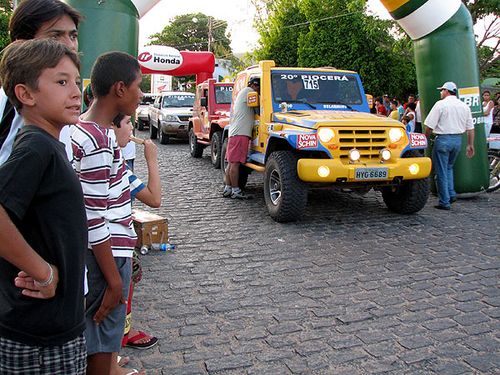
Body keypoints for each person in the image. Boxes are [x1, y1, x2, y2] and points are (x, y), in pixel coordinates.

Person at [0, 38, 87, 375]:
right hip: (38, 337)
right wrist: (43, 271)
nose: (76, 92)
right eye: (62, 82)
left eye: (77, 82)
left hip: (54, 329)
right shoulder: (35, 146)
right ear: (26, 94)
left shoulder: (49, 143)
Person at [71, 51, 143, 375]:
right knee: (100, 352)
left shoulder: (80, 129)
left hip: (95, 258)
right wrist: (115, 283)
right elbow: (95, 218)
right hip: (107, 258)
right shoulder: (100, 140)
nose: (141, 95)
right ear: (119, 89)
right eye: (138, 86)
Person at [0, 0, 81, 166]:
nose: (70, 45)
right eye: (55, 36)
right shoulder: (14, 103)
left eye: (73, 36)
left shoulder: (57, 110)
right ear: (21, 43)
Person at [111, 114, 159, 375]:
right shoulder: (114, 164)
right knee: (113, 303)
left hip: (116, 244)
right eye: (128, 122)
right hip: (112, 248)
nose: (132, 128)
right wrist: (151, 161)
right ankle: (109, 356)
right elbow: (154, 199)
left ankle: (112, 352)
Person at [424, 81, 475, 210]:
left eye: (442, 90)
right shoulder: (464, 106)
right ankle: (451, 194)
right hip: (458, 140)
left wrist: (425, 138)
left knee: (441, 171)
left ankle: (444, 201)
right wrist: (470, 145)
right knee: (449, 168)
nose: (441, 92)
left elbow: (429, 126)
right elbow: (470, 129)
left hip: (443, 139)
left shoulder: (440, 105)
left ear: (446, 91)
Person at [223, 77, 260, 200]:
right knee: (236, 164)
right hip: (241, 133)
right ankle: (236, 190)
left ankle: (228, 188)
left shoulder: (243, 92)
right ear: (255, 86)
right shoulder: (250, 93)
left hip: (235, 133)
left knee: (231, 163)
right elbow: (260, 107)